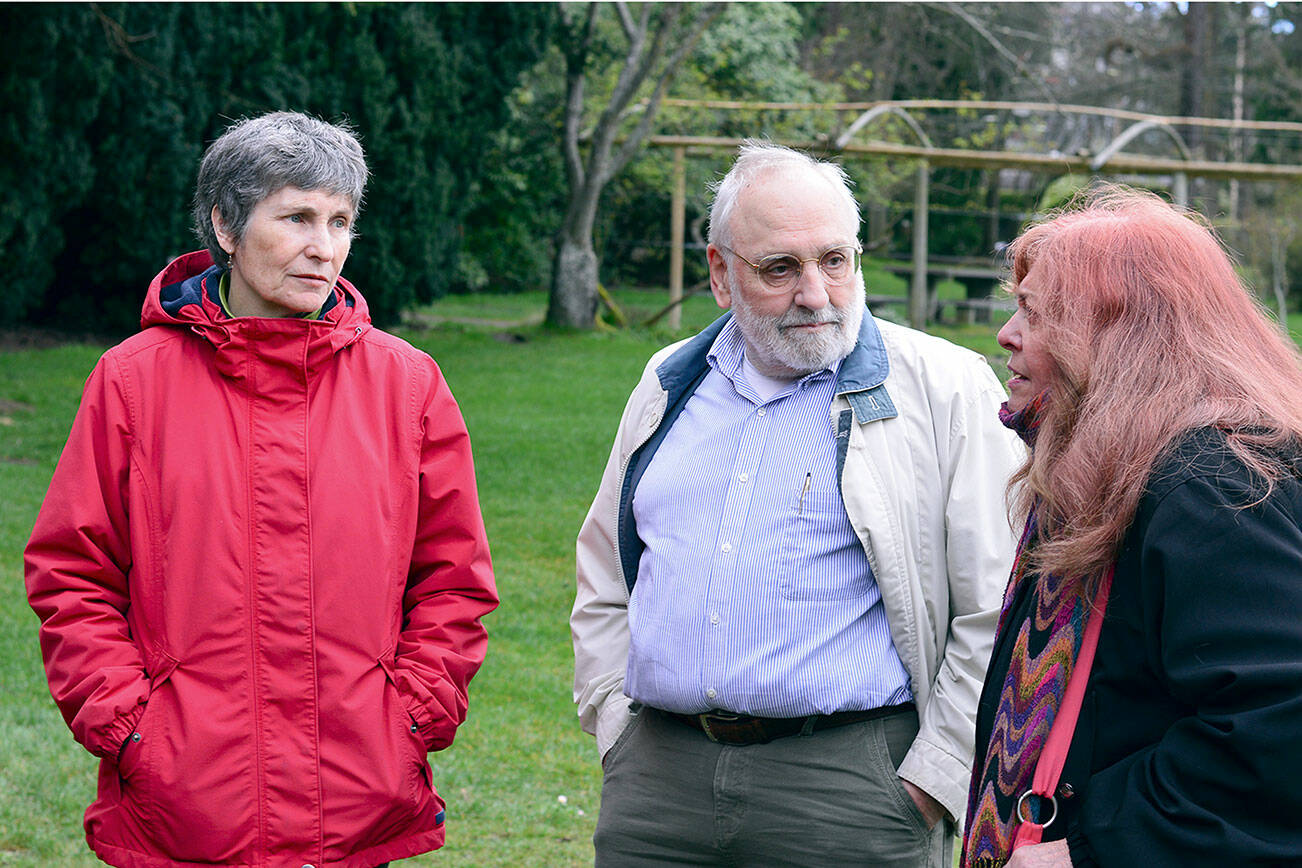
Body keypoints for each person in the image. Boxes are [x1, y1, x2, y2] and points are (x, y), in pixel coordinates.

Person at [24, 111, 498, 867]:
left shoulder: (408, 385)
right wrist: (131, 728)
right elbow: (71, 572)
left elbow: (453, 579)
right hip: (185, 804)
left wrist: (411, 714)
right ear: (226, 223)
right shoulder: (131, 382)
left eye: (341, 221)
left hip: (357, 797)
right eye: (298, 217)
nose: (324, 246)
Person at [571, 141, 1024, 867]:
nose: (816, 293)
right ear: (720, 274)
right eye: (780, 268)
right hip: (658, 786)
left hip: (850, 792)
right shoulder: (669, 381)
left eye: (835, 260)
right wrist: (614, 724)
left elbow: (999, 605)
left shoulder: (947, 389)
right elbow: (606, 567)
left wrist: (932, 777)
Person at [962, 186, 1302, 867]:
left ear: (1116, 336)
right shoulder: (1119, 459)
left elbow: (1281, 725)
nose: (1007, 333)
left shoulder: (1211, 485)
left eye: (1032, 313)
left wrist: (1091, 848)